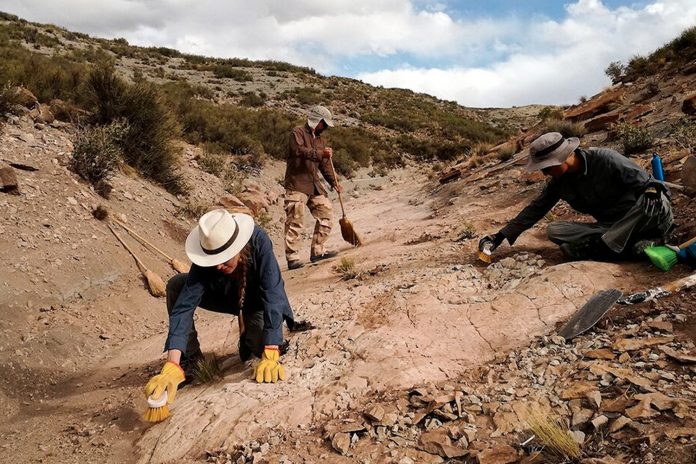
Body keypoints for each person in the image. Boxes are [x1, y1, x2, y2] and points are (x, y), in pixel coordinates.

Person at [145, 210, 295, 408]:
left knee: (259, 344)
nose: (218, 266)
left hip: (256, 300)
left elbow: (273, 292)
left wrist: (271, 347)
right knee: (176, 285)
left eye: (224, 259)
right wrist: (172, 364)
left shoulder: (259, 241)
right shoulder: (208, 255)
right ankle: (190, 360)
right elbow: (183, 308)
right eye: (213, 261)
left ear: (238, 247)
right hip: (225, 296)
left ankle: (251, 336)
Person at [478, 132, 674, 261]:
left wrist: (650, 191)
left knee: (653, 200)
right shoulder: (559, 182)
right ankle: (627, 246)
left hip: (643, 218)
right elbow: (536, 209)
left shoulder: (606, 159)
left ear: (565, 156)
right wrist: (500, 236)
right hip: (611, 226)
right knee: (555, 229)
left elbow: (651, 184)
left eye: (547, 167)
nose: (545, 173)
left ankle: (607, 248)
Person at [284, 105, 341, 270]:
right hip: (297, 184)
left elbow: (324, 166)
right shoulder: (297, 133)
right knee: (295, 221)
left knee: (326, 214)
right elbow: (299, 151)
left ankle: (317, 250)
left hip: (315, 185)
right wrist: (320, 153)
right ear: (317, 121)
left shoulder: (321, 141)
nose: (325, 128)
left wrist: (334, 183)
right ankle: (292, 258)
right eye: (324, 124)